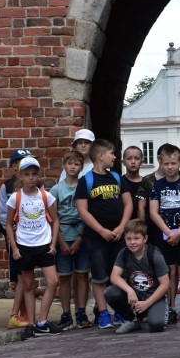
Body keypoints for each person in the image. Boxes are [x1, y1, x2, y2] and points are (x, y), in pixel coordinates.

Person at [75, 138, 134, 329]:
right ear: (101, 156)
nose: (115, 157)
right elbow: (82, 210)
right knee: (99, 276)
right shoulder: (86, 181)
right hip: (96, 237)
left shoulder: (116, 178)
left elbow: (128, 204)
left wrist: (121, 227)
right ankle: (103, 314)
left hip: (118, 235)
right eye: (112, 154)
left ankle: (120, 310)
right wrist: (101, 230)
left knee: (119, 274)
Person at [6, 157, 62, 336]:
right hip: (25, 246)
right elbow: (9, 224)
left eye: (34, 174)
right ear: (21, 176)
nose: (31, 177)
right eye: (27, 174)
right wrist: (15, 248)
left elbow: (55, 220)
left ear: (38, 175)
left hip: (44, 244)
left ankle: (42, 321)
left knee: (53, 281)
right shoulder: (15, 198)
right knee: (28, 285)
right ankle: (31, 324)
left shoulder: (46, 196)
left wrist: (53, 243)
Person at [149, 144, 180, 324]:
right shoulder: (156, 186)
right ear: (161, 163)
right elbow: (153, 212)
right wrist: (169, 232)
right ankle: (170, 308)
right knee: (169, 271)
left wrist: (179, 233)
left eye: (173, 163)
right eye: (166, 163)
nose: (170, 167)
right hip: (164, 234)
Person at [105, 219, 170, 334]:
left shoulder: (154, 255)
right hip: (134, 297)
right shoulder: (124, 253)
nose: (132, 242)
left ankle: (150, 312)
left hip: (153, 296)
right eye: (129, 239)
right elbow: (114, 276)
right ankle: (131, 320)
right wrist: (129, 290)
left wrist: (147, 303)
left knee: (156, 325)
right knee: (110, 293)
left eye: (136, 238)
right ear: (124, 239)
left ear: (145, 239)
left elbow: (165, 284)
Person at [50, 150, 91, 330]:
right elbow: (52, 218)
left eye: (76, 164)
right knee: (65, 277)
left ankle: (81, 311)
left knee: (82, 274)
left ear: (81, 167)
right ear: (64, 166)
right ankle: (66, 313)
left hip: (81, 234)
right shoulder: (56, 190)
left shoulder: (85, 187)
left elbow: (89, 214)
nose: (73, 167)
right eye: (70, 163)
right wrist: (59, 241)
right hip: (63, 236)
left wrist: (80, 238)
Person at [0, 148, 35, 329]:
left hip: (33, 237)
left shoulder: (38, 184)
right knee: (18, 275)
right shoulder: (6, 187)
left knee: (26, 274)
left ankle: (24, 313)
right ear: (14, 167)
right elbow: (4, 215)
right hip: (16, 237)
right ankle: (18, 313)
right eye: (21, 162)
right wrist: (13, 232)